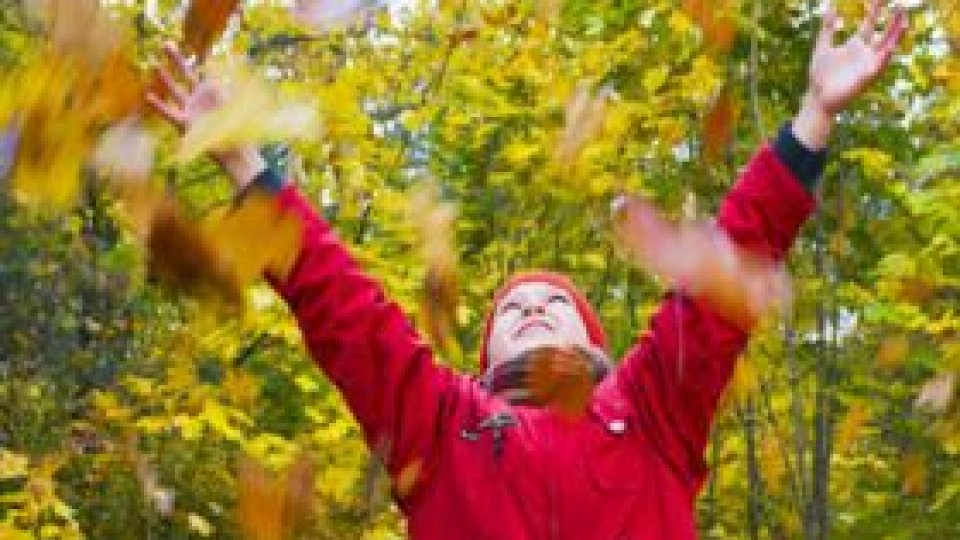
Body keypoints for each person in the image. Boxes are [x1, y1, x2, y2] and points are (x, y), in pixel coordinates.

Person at [148, 3, 906, 538]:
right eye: (513, 308)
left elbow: (725, 274)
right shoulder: (441, 429)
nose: (533, 308)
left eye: (553, 302)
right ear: (484, 359)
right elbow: (341, 306)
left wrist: (815, 117)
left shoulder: (653, 414)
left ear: (595, 338)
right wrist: (242, 160)